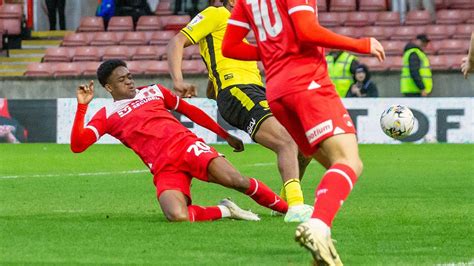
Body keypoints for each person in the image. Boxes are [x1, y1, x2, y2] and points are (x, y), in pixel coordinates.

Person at [221, 0, 385, 264]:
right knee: (349, 161)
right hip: (307, 83)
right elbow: (306, 31)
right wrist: (360, 44)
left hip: (276, 92)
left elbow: (229, 47)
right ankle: (318, 227)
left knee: (334, 165)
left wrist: (271, 53)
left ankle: (323, 244)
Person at [70, 59, 289, 223]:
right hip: (163, 166)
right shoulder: (106, 115)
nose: (129, 81)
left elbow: (190, 111)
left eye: (129, 76)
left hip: (187, 146)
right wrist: (83, 106)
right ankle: (226, 211)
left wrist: (225, 134)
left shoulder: (154, 91)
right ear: (109, 88)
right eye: (122, 79)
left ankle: (289, 210)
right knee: (177, 215)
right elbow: (78, 145)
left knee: (237, 180)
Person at [167, 0, 313, 223]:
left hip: (256, 92)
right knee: (286, 141)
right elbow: (177, 41)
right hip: (238, 90)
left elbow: (214, 77)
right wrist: (178, 81)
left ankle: (284, 204)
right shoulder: (216, 14)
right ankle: (295, 206)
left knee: (306, 144)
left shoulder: (239, 32)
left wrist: (213, 85)